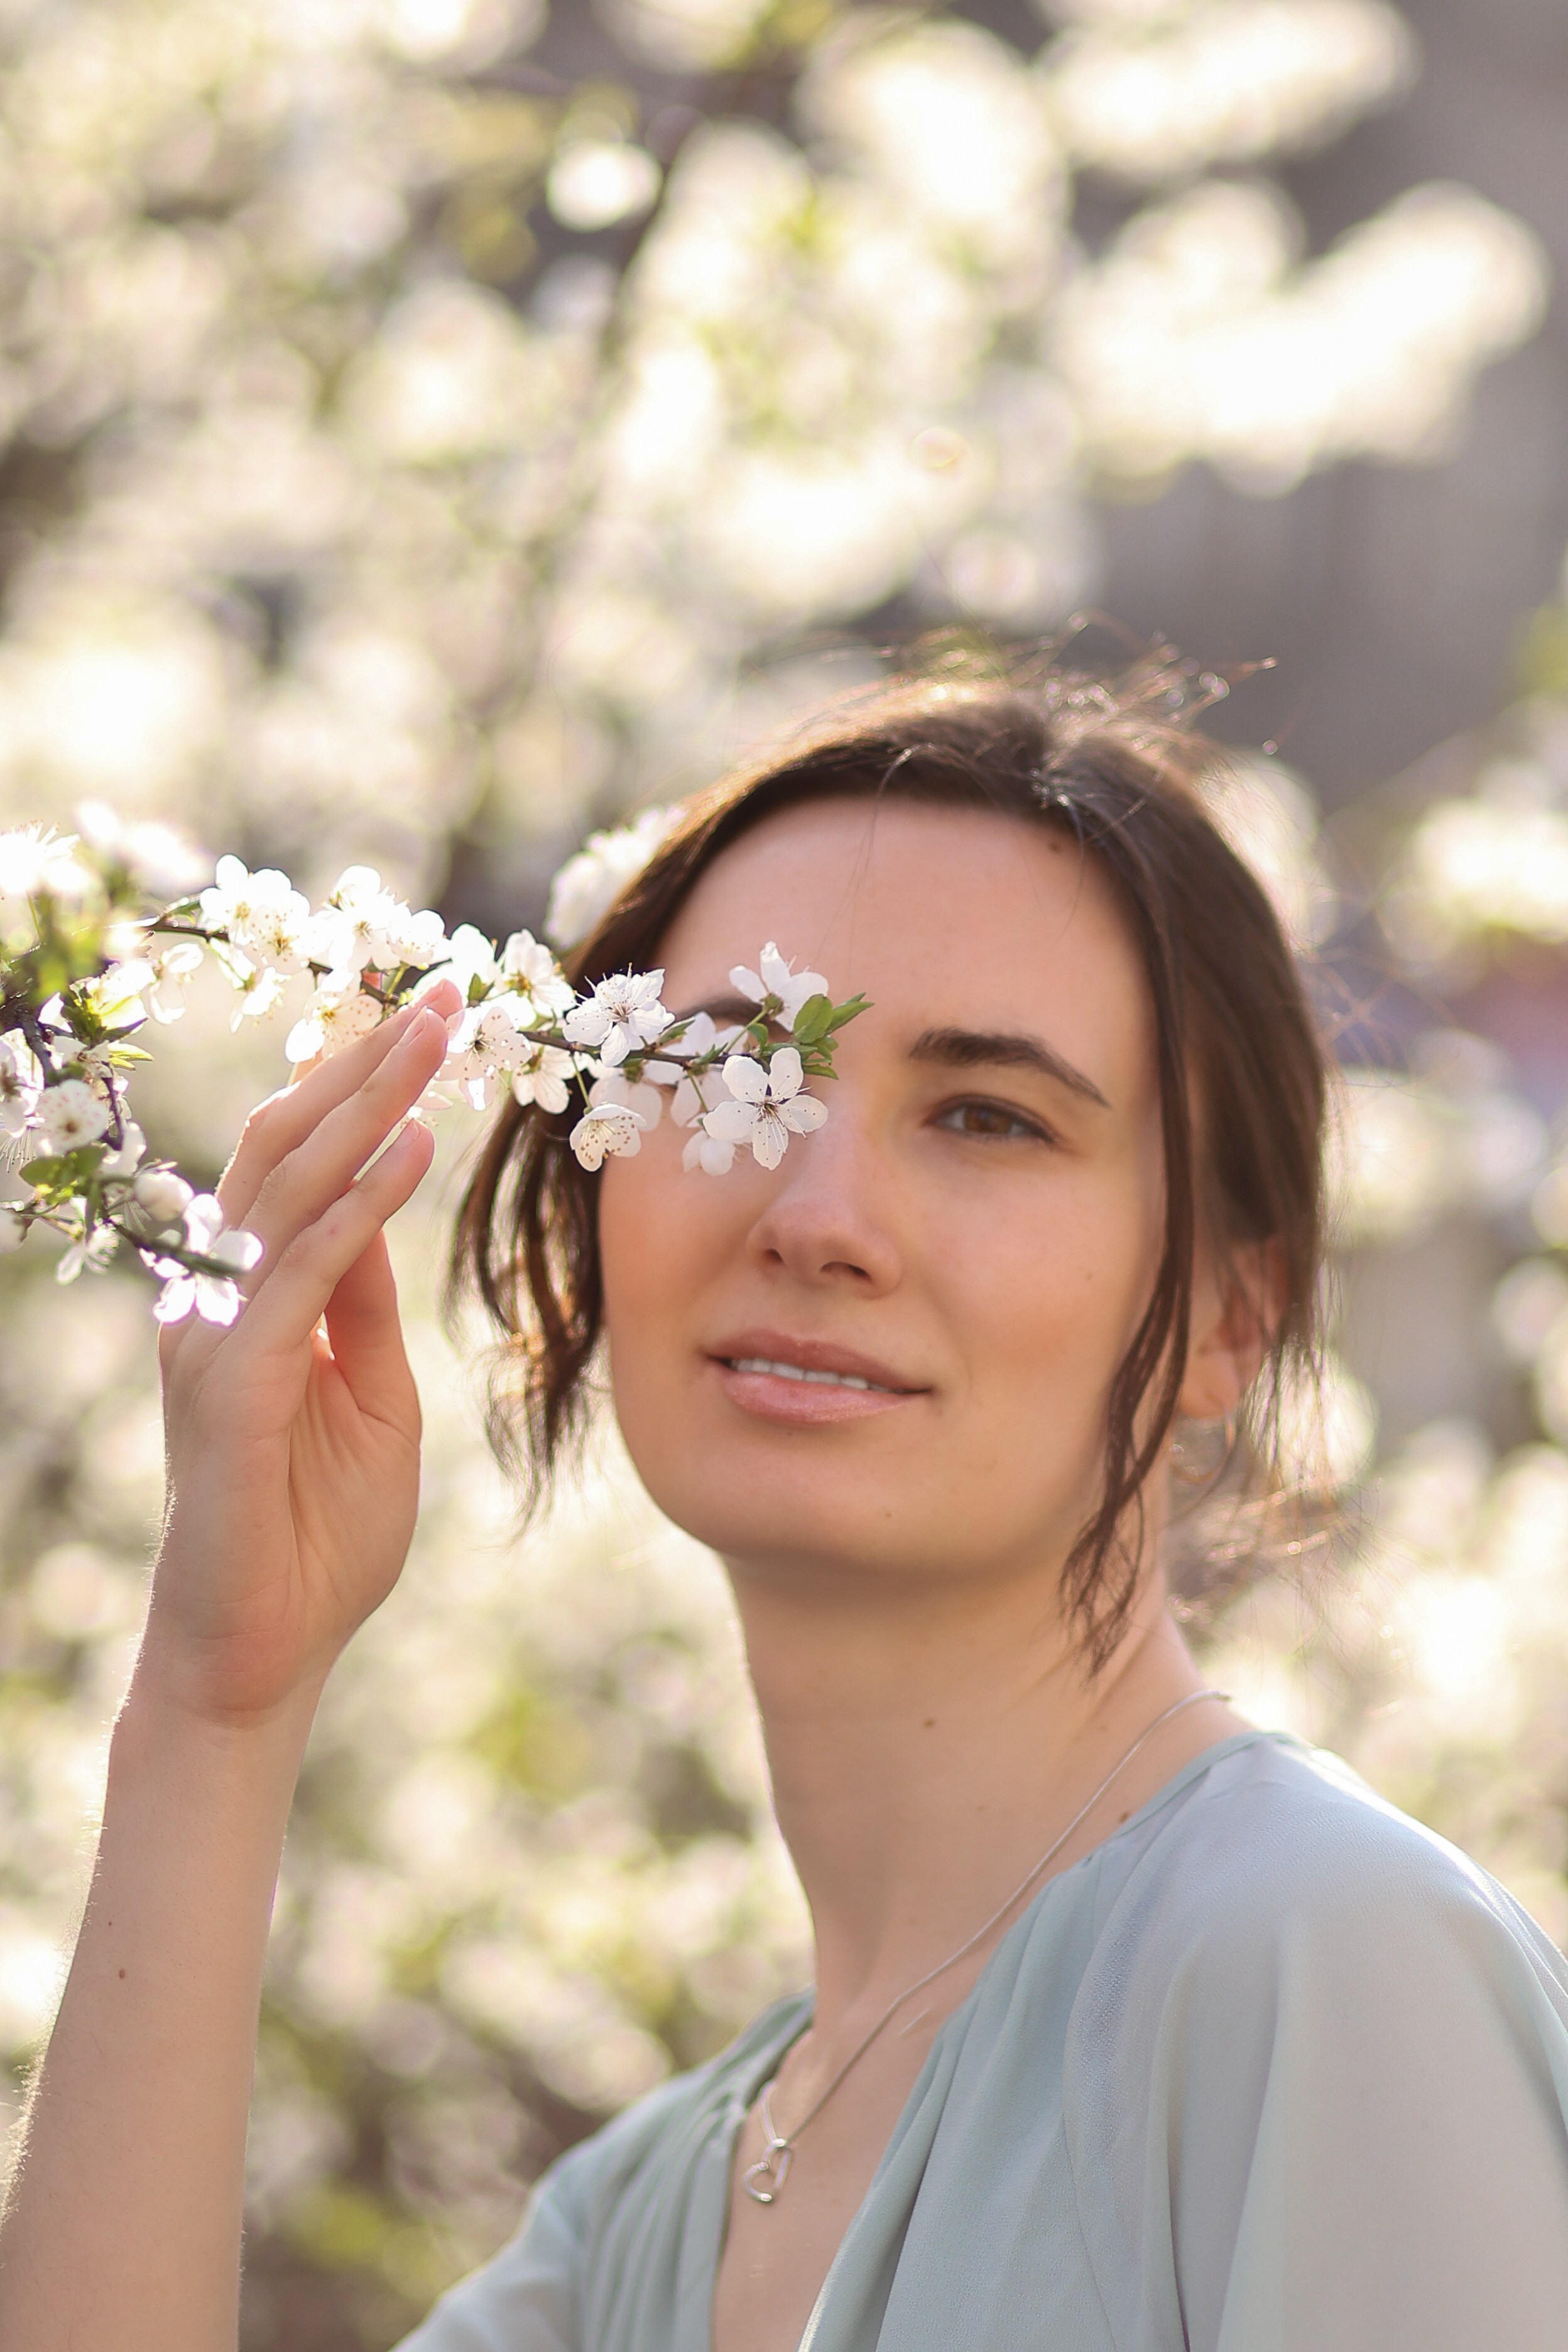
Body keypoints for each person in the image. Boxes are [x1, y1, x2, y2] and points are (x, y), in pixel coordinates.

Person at [4, 668, 1568, 2352]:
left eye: (987, 1115)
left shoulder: (1323, 1967)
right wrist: (215, 1706)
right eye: (721, 1075)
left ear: (1227, 1315)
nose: (822, 1215)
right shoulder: (632, 2232)